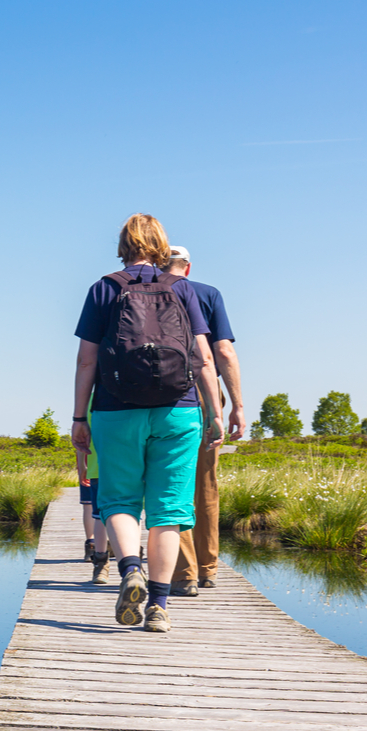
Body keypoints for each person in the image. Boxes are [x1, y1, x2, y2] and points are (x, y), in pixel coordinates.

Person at [70, 215, 224, 633]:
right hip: (179, 409)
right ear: (161, 245)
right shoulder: (184, 288)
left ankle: (130, 569)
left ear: (123, 244)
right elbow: (204, 358)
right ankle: (158, 606)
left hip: (115, 409)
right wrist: (215, 414)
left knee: (118, 500)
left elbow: (86, 360)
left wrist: (79, 416)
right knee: (168, 512)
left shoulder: (104, 287)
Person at [163, 246, 245, 595]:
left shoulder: (145, 290)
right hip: (205, 394)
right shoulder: (208, 294)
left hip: (162, 400)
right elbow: (223, 352)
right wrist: (236, 405)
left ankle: (183, 573)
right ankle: (208, 569)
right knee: (205, 483)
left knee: (171, 484)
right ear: (188, 266)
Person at [75, 428, 110, 577]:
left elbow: (80, 444)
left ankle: (92, 545)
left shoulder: (88, 411)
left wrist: (81, 466)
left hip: (92, 466)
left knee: (90, 507)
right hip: (122, 467)